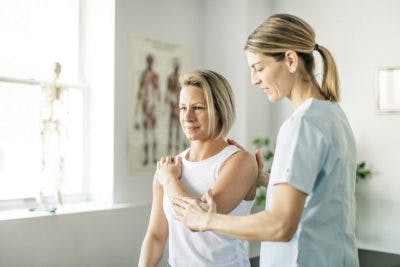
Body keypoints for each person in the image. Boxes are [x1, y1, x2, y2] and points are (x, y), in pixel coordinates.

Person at [171, 14, 360, 267]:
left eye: (259, 68)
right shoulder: (332, 114)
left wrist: (206, 220)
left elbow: (280, 225)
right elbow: (321, 192)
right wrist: (268, 179)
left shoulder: (301, 125)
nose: (254, 80)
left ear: (290, 60)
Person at [138, 69, 258, 267]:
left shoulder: (239, 161)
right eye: (183, 108)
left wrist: (169, 180)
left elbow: (200, 217)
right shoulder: (171, 167)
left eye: (198, 108)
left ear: (219, 110)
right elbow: (156, 236)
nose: (188, 117)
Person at [134, 54, 160, 166]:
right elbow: (139, 91)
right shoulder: (143, 75)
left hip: (152, 107)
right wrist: (137, 109)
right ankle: (146, 157)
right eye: (148, 61)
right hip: (145, 107)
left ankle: (154, 157)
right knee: (145, 133)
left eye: (151, 61)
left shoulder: (155, 75)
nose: (150, 63)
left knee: (153, 133)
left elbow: (157, 91)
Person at [165, 57, 182, 154]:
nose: (177, 67)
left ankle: (176, 147)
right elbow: (168, 91)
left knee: (178, 127)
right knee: (171, 125)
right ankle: (170, 147)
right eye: (176, 66)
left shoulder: (180, 78)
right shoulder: (170, 77)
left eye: (178, 66)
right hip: (172, 103)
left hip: (179, 104)